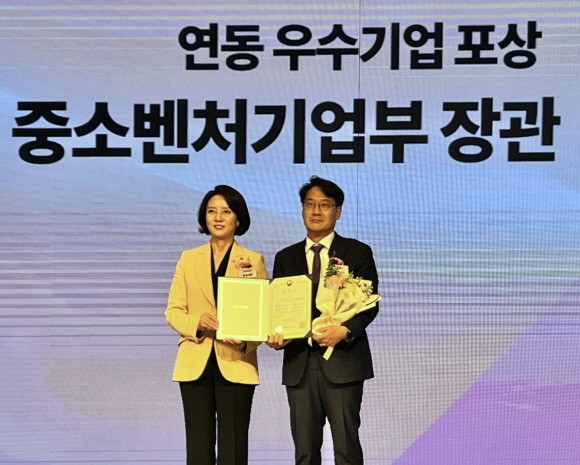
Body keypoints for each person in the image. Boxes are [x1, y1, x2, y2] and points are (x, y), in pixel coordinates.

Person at [267, 176, 379, 465]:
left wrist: (345, 330)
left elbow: (369, 304)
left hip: (343, 362)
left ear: (337, 211)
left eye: (324, 205)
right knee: (305, 452)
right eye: (310, 204)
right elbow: (278, 308)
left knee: (346, 450)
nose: (316, 211)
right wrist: (274, 334)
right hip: (300, 365)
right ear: (302, 209)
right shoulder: (285, 257)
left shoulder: (357, 252)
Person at [165, 185, 268, 465]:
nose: (218, 217)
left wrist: (246, 340)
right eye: (212, 211)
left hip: (236, 360)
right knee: (198, 446)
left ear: (239, 218)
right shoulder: (188, 258)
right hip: (195, 360)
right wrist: (197, 322)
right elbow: (173, 311)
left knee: (233, 448)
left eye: (226, 211)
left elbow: (261, 315)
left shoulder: (252, 260)